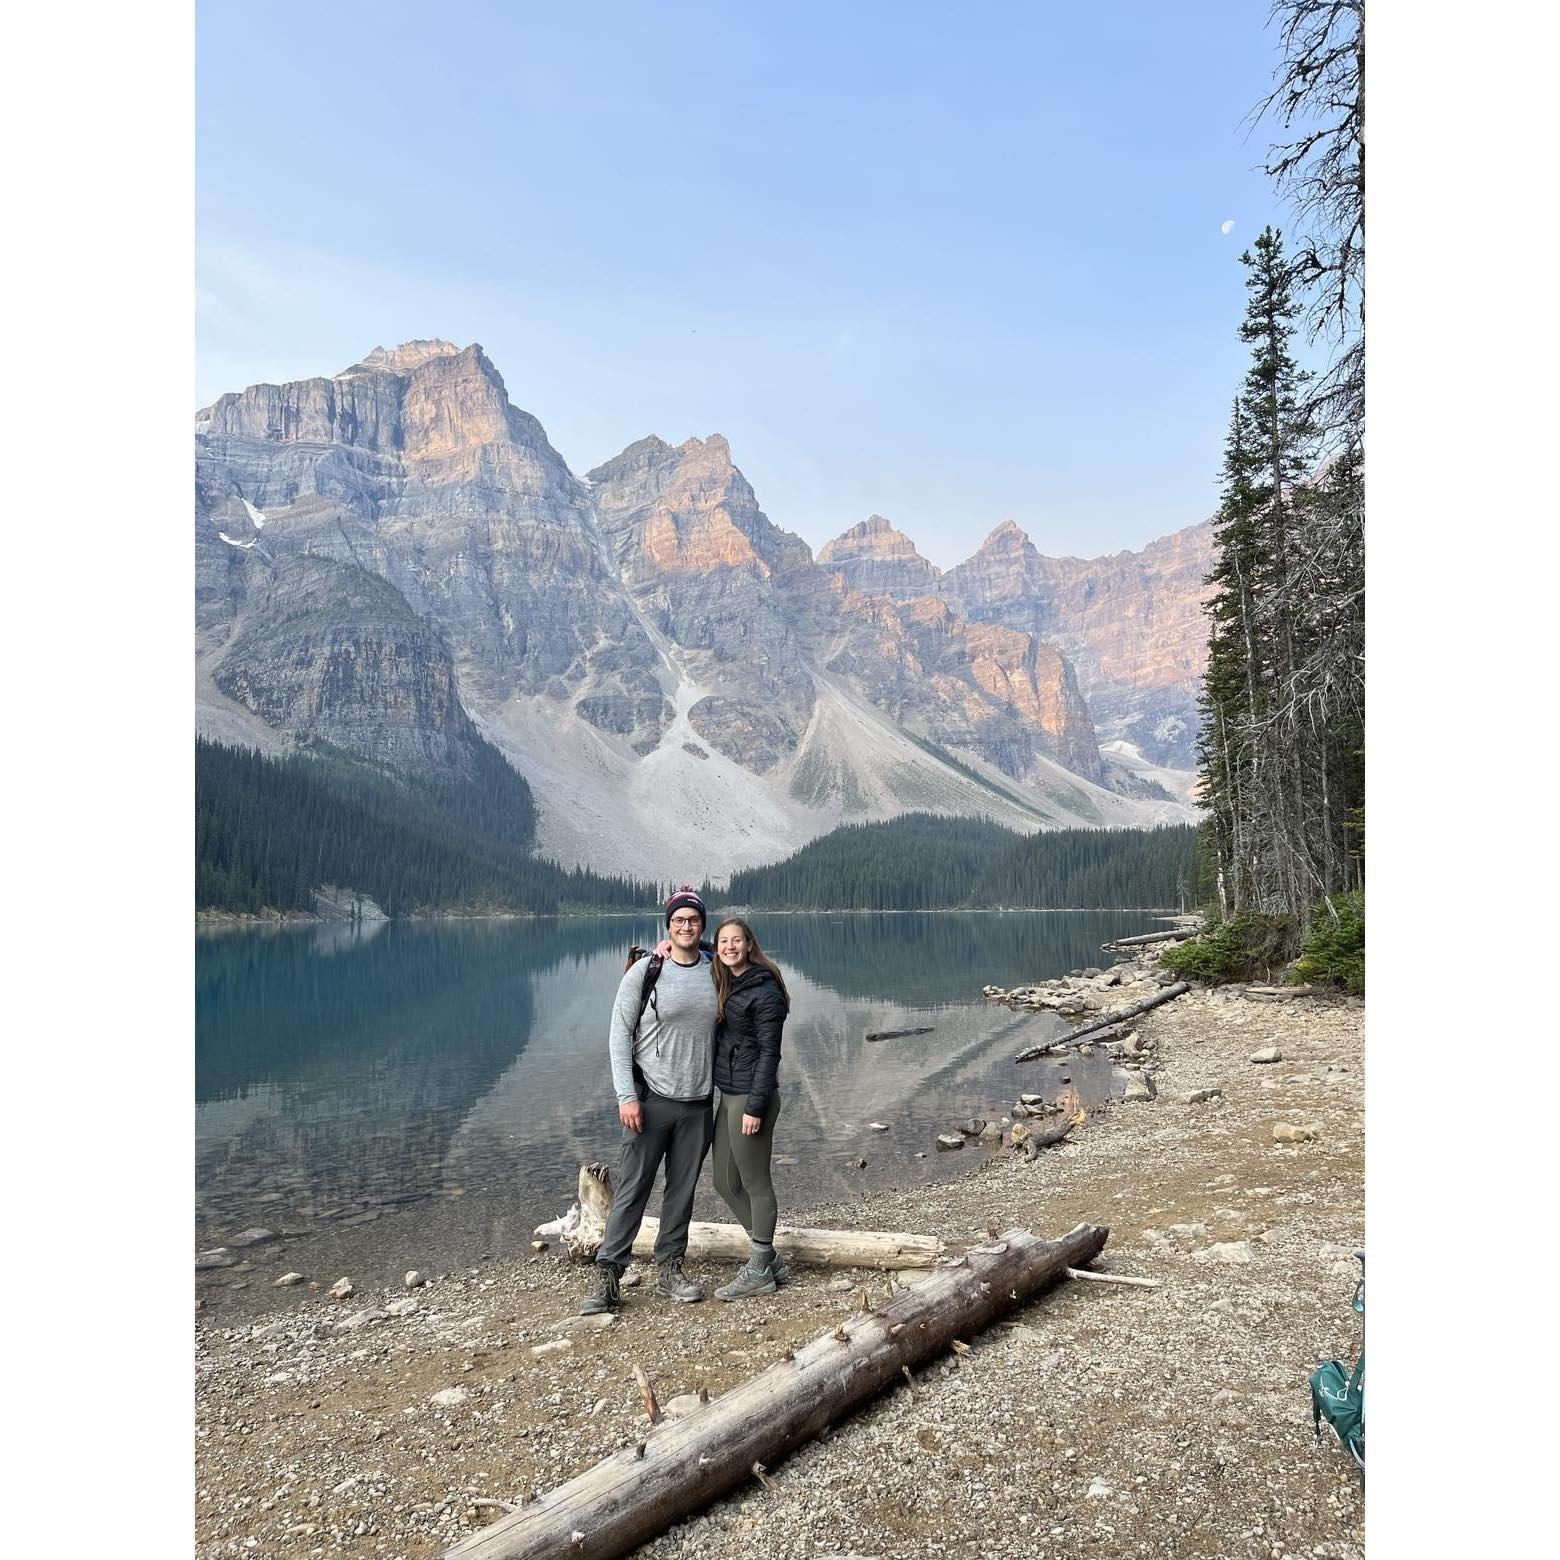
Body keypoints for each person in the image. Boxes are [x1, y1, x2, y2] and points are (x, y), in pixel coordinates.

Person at [579, 888, 717, 1316]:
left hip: (698, 1102)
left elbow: (745, 957)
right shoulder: (646, 971)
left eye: (693, 920)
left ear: (702, 925)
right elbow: (619, 1035)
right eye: (679, 920)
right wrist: (626, 1096)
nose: (686, 926)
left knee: (682, 1191)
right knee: (634, 1188)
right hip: (651, 1099)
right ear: (668, 925)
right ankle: (608, 1276)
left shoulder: (717, 968)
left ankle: (670, 1270)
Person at [707, 918, 791, 1300]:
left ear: (749, 944)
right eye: (723, 942)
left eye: (736, 941)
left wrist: (755, 1107)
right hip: (730, 1092)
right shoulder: (732, 978)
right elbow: (706, 956)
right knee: (724, 1182)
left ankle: (758, 1267)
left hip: (751, 1098)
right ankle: (769, 1257)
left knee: (756, 1183)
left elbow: (770, 1053)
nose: (729, 947)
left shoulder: (766, 989)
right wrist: (663, 949)